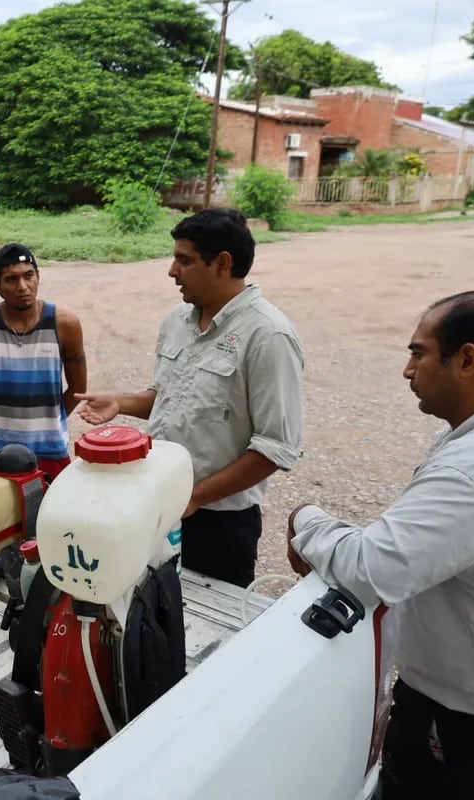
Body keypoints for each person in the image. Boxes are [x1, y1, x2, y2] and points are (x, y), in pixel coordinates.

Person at [287, 291, 474, 800]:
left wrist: (307, 520)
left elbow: (371, 569)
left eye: (419, 353)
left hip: (469, 716)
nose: (408, 370)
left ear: (467, 360)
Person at [76, 208, 304, 588]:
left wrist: (195, 497)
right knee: (149, 614)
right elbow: (173, 397)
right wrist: (122, 403)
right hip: (158, 503)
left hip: (219, 523)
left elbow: (276, 447)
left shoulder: (268, 336)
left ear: (222, 263)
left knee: (210, 634)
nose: (171, 270)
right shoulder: (177, 321)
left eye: (184, 260)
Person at [0, 242, 86, 477]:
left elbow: (78, 387)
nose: (23, 287)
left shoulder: (65, 323)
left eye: (29, 276)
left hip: (49, 450)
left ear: (38, 276)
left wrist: (48, 422)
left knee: (49, 513)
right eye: (11, 279)